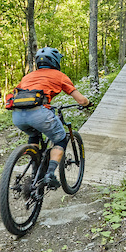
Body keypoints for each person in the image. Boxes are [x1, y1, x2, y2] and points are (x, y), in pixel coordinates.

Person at [10, 47, 91, 188]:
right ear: (55, 61)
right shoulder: (59, 75)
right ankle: (50, 174)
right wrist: (88, 103)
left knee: (34, 136)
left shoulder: (27, 76)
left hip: (18, 115)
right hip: (39, 114)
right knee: (61, 139)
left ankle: (35, 169)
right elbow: (81, 101)